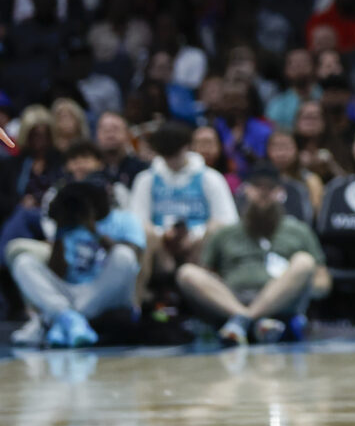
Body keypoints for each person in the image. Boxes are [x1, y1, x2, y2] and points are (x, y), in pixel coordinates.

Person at [176, 163, 329, 346]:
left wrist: (301, 286)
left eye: (270, 188)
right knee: (187, 272)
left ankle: (244, 320)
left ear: (280, 192)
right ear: (246, 190)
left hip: (282, 301)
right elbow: (207, 273)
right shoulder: (225, 232)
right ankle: (251, 319)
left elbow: (323, 280)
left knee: (304, 261)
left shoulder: (299, 230)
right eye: (257, 187)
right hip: (232, 298)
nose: (263, 193)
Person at [8, 180, 144, 348]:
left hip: (103, 293)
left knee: (123, 255)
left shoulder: (123, 219)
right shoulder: (66, 227)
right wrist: (59, 231)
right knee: (23, 262)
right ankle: (69, 318)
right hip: (70, 294)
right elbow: (57, 273)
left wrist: (95, 231)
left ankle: (59, 321)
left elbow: (133, 259)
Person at [129, 122, 239, 282]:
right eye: (166, 156)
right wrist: (163, 236)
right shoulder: (146, 179)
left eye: (175, 155)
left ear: (188, 147)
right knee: (145, 232)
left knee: (215, 227)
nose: (171, 162)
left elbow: (228, 221)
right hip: (161, 247)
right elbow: (137, 220)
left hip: (198, 245)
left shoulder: (210, 178)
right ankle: (139, 299)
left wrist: (194, 237)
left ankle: (201, 281)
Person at [264, 48, 320, 131]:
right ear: (286, 71)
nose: (299, 66)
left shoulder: (325, 96)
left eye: (304, 62)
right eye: (294, 63)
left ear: (314, 67)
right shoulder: (277, 104)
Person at [94, 112, 148, 190]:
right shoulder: (93, 173)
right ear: (97, 135)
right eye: (105, 130)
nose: (110, 135)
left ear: (128, 134)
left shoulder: (142, 170)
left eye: (115, 129)